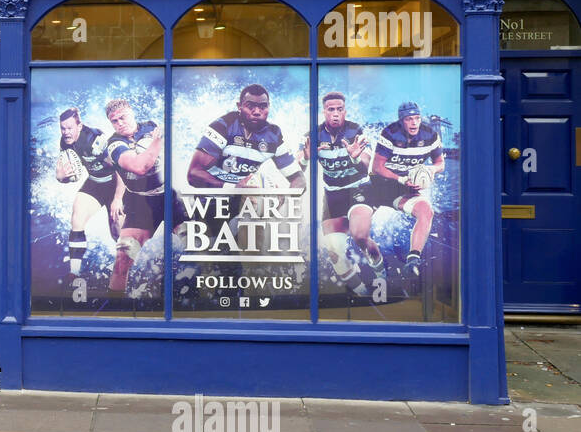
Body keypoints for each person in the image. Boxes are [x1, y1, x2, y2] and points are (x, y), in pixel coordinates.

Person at [186, 83, 306, 245]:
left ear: (268, 108)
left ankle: (252, 265)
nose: (257, 112)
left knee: (249, 245)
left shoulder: (273, 135)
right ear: (240, 106)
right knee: (210, 260)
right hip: (212, 200)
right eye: (251, 106)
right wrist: (233, 188)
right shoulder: (224, 126)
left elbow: (298, 179)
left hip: (244, 203)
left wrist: (285, 195)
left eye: (262, 107)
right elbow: (193, 174)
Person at [302, 92, 381, 297]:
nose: (335, 114)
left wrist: (356, 157)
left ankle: (380, 271)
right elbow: (297, 165)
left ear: (345, 111)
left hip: (359, 189)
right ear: (324, 112)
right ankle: (362, 293)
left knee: (360, 236)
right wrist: (305, 158)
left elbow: (366, 163)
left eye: (339, 109)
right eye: (331, 109)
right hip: (332, 195)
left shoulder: (356, 131)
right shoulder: (313, 134)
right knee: (334, 253)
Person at [370, 101, 445, 277]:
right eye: (409, 119)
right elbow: (377, 167)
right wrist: (402, 178)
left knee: (426, 211)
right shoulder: (390, 133)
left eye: (417, 118)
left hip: (404, 190)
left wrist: (431, 170)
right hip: (378, 187)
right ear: (401, 121)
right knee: (357, 229)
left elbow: (440, 163)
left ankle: (413, 259)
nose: (414, 123)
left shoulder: (430, 135)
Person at [102, 99, 168, 293]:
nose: (119, 123)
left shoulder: (151, 126)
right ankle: (113, 312)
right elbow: (139, 168)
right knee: (122, 260)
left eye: (122, 117)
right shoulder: (114, 144)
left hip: (169, 195)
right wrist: (157, 141)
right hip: (140, 202)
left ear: (132, 113)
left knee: (198, 241)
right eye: (114, 121)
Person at [53, 107, 117, 277]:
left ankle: (124, 269)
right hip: (95, 182)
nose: (66, 132)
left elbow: (120, 168)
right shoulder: (64, 142)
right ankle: (74, 273)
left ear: (79, 126)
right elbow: (69, 174)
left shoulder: (93, 139)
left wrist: (118, 199)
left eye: (69, 128)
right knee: (77, 216)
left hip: (115, 183)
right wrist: (60, 177)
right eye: (63, 128)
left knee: (118, 231)